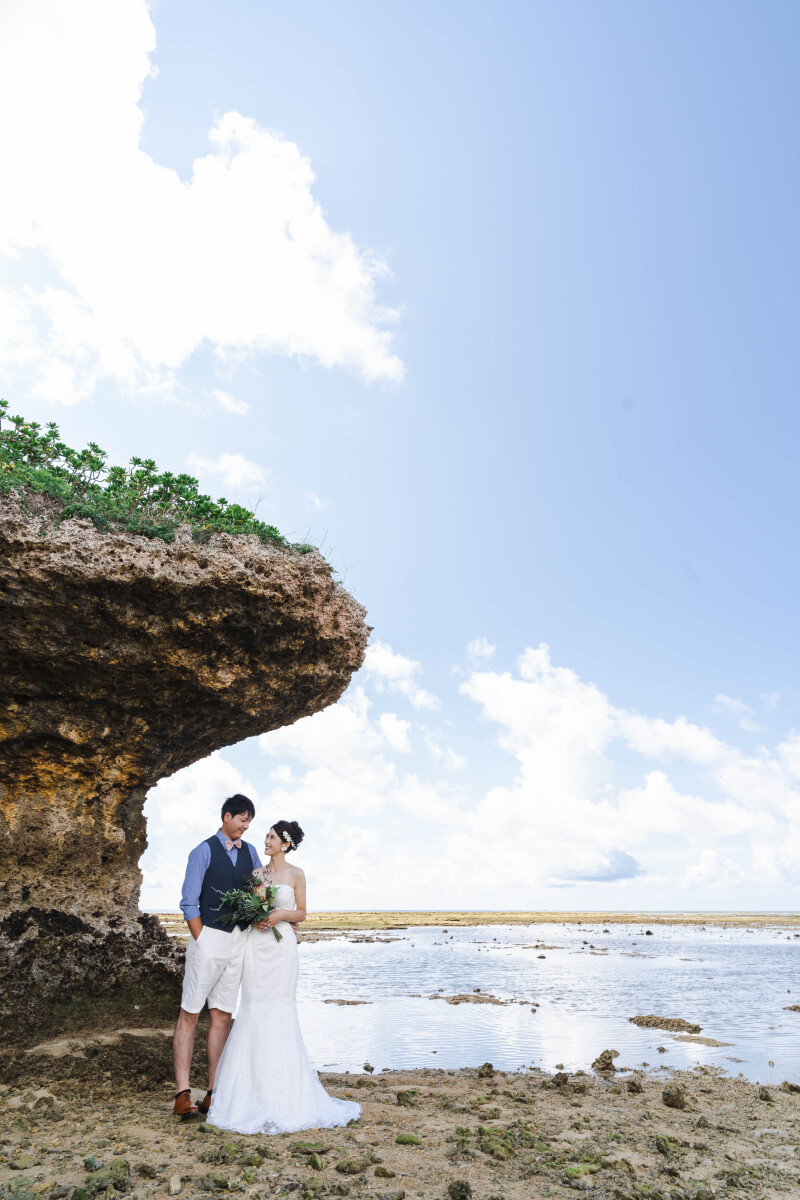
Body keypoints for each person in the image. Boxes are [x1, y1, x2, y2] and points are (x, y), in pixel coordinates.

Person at [207, 820, 361, 1135]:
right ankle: (248, 1093)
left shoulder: (296, 874)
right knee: (252, 1008)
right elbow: (249, 910)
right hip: (257, 946)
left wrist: (279, 914)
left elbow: (302, 912)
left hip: (281, 949)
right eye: (266, 835)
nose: (266, 840)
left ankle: (285, 1093)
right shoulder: (256, 875)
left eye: (272, 837)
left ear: (285, 844)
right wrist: (255, 916)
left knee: (280, 1009)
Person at [172, 794, 262, 1118]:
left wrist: (261, 909)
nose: (245, 825)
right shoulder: (202, 851)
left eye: (249, 820)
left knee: (222, 1016)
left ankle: (214, 1092)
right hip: (208, 938)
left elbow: (259, 892)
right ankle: (183, 1094)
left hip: (239, 940)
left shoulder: (251, 852)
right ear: (226, 817)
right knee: (190, 1013)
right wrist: (202, 938)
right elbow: (188, 901)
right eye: (242, 819)